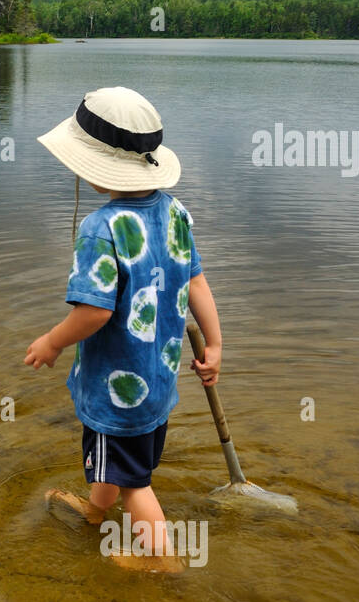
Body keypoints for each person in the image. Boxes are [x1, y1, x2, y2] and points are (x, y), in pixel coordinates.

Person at [24, 86, 222, 571]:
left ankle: (163, 562)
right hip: (157, 383)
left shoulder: (102, 227)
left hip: (116, 391)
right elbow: (196, 278)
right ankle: (95, 514)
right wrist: (215, 343)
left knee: (136, 485)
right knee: (119, 464)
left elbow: (95, 312)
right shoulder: (174, 211)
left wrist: (51, 341)